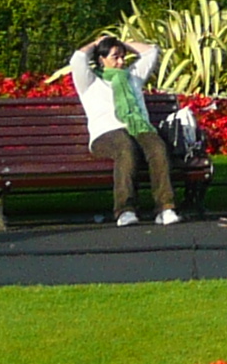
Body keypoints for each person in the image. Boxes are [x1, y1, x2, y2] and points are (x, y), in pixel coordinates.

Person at [68, 35, 180, 227]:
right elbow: (77, 59)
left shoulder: (133, 78)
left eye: (122, 56)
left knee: (157, 147)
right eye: (115, 57)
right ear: (101, 59)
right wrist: (97, 43)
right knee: (125, 148)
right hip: (107, 134)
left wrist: (120, 42)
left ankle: (165, 208)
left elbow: (151, 52)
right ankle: (125, 210)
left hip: (139, 128)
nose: (121, 61)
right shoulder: (90, 82)